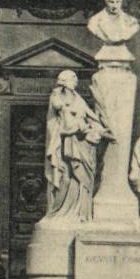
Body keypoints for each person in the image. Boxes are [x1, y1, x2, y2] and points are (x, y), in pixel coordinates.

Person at [43, 69, 111, 223]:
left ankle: (80, 213)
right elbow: (63, 114)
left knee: (82, 177)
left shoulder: (78, 98)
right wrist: (78, 123)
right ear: (64, 81)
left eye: (75, 79)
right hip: (68, 142)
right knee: (66, 177)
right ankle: (58, 212)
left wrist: (101, 125)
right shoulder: (57, 96)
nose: (76, 81)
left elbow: (88, 113)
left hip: (82, 142)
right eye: (73, 79)